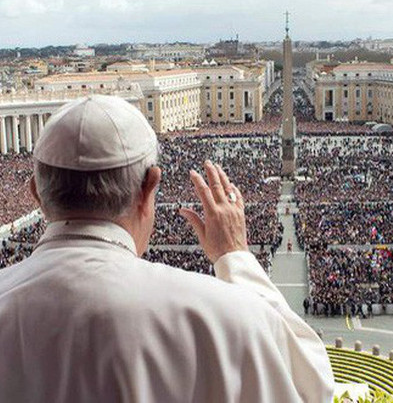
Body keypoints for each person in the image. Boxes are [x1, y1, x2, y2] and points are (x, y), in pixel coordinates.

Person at [0, 95, 334, 403]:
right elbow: (312, 385)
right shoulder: (220, 317)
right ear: (150, 187)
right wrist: (235, 257)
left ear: (37, 194)